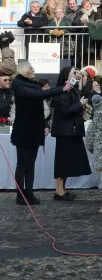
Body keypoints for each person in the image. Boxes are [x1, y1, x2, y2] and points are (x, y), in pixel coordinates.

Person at [11, 61, 68, 205]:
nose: (33, 70)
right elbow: (38, 95)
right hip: (24, 130)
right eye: (31, 68)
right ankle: (20, 195)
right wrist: (61, 89)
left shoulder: (33, 84)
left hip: (35, 129)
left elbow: (39, 108)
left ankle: (29, 193)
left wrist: (44, 125)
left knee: (31, 164)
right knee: (22, 164)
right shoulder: (19, 84)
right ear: (25, 71)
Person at [51, 67, 91, 200]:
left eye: (78, 72)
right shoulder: (62, 91)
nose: (78, 74)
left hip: (72, 130)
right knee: (63, 162)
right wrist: (79, 104)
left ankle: (62, 190)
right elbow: (64, 111)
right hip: (65, 131)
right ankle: (59, 191)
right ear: (66, 77)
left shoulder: (73, 89)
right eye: (74, 72)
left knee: (68, 162)